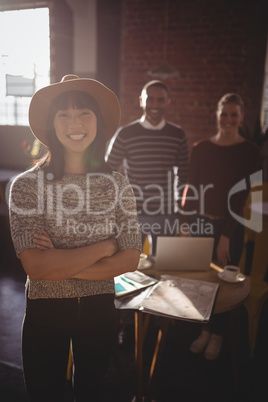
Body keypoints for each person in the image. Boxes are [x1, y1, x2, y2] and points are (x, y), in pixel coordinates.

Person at [9, 74, 142, 402]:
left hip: (100, 313)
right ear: (52, 124)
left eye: (84, 113)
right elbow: (37, 269)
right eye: (64, 114)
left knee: (91, 394)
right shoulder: (26, 186)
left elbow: (131, 259)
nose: (75, 123)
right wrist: (106, 246)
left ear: (98, 121)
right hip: (45, 312)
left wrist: (60, 262)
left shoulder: (118, 185)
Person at [182, 93, 262, 359]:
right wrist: (186, 224)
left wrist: (226, 235)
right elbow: (191, 189)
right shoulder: (201, 147)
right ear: (217, 115)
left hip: (231, 227)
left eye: (234, 114)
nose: (228, 119)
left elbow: (242, 197)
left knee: (225, 285)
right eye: (224, 114)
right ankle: (205, 329)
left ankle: (218, 335)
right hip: (200, 224)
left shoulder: (250, 151)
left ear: (241, 118)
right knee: (202, 281)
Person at [106, 80, 188, 253]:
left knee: (163, 266)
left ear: (168, 102)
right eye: (150, 99)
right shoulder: (125, 134)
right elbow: (108, 170)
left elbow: (184, 175)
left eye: (160, 100)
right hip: (133, 214)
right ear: (141, 100)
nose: (155, 104)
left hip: (167, 213)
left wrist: (181, 212)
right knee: (129, 265)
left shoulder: (177, 135)